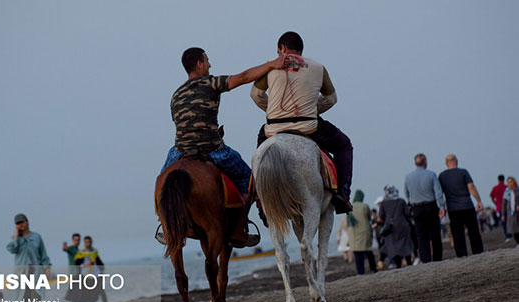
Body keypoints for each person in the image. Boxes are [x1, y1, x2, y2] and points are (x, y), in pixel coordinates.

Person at [160, 47, 285, 247]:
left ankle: (164, 224)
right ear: (199, 64)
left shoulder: (176, 94)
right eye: (207, 61)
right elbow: (243, 77)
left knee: (164, 182)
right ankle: (239, 228)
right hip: (211, 149)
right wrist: (271, 65)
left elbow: (179, 122)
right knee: (249, 179)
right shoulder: (211, 83)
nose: (210, 65)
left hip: (180, 150)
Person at [250, 31, 354, 214]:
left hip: (274, 129)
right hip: (309, 128)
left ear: (282, 49)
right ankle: (343, 195)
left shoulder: (270, 67)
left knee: (260, 153)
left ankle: (258, 196)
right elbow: (331, 98)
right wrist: (311, 110)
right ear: (301, 50)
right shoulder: (318, 67)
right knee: (344, 146)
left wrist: (273, 110)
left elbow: (256, 95)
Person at [6, 213, 51, 302]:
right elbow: (11, 249)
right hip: (21, 274)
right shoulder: (15, 240)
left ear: (27, 221)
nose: (20, 225)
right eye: (17, 223)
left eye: (22, 222)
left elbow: (43, 254)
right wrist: (15, 236)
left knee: (37, 298)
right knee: (25, 300)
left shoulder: (37, 237)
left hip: (36, 272)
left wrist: (47, 268)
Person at [438, 154, 484, 257]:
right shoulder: (463, 172)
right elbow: (471, 187)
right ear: (457, 161)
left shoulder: (442, 176)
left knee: (457, 234)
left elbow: (440, 193)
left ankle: (461, 255)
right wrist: (479, 201)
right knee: (473, 232)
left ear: (446, 163)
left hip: (453, 208)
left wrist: (442, 207)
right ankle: (478, 252)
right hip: (467, 205)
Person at [404, 154, 446, 263]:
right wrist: (442, 207)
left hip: (417, 208)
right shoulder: (431, 175)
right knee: (435, 233)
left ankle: (425, 259)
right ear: (425, 162)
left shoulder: (408, 177)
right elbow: (438, 193)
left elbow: (407, 194)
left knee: (421, 236)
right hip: (430, 206)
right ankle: (437, 258)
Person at [379, 185, 414, 268]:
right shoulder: (401, 201)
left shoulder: (383, 203)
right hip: (402, 226)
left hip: (391, 228)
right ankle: (409, 263)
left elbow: (381, 216)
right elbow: (407, 214)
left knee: (393, 247)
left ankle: (398, 265)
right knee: (405, 245)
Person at [74, 236, 110, 302]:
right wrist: (85, 265)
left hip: (96, 273)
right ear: (84, 243)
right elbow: (77, 264)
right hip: (86, 274)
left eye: (89, 242)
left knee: (101, 290)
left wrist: (102, 269)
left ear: (91, 242)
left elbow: (99, 261)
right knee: (87, 292)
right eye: (86, 242)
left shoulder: (94, 251)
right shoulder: (81, 252)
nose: (88, 243)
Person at [347, 190, 377, 275]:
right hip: (364, 231)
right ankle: (373, 268)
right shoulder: (364, 206)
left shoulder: (349, 206)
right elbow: (369, 217)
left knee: (357, 254)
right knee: (368, 251)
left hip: (354, 233)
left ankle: (360, 272)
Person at [63, 233, 82, 302]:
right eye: (75, 240)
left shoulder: (78, 250)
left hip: (79, 272)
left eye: (78, 240)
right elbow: (65, 249)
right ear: (73, 240)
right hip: (73, 273)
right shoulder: (71, 248)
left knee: (77, 291)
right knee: (75, 291)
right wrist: (64, 247)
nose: (77, 241)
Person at [491, 174, 512, 241]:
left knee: (504, 222)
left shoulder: (495, 188)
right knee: (509, 221)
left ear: (498, 179)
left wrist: (495, 203)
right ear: (504, 179)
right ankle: (511, 234)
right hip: (508, 207)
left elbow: (491, 196)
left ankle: (507, 236)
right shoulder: (507, 187)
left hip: (499, 208)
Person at [502, 176, 519, 245]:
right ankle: (517, 242)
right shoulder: (507, 192)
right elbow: (503, 204)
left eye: (511, 181)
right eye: (508, 182)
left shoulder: (517, 190)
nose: (510, 183)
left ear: (514, 182)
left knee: (518, 227)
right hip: (510, 212)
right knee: (513, 228)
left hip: (517, 212)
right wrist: (503, 214)